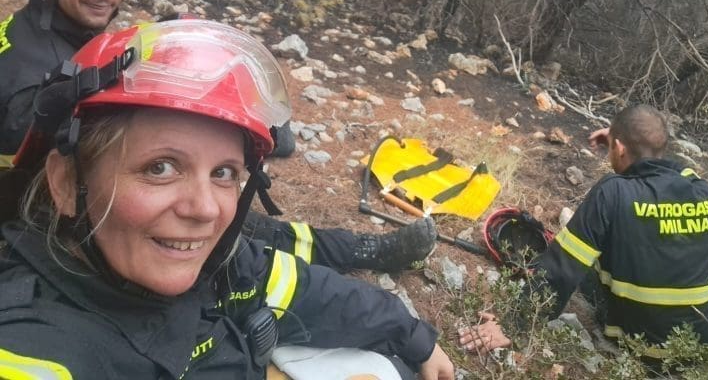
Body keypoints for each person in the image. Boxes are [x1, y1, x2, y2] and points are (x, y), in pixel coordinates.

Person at [0, 0, 436, 272]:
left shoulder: (57, 35)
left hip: (84, 196)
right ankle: (364, 253)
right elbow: (33, 137)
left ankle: (350, 250)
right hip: (49, 220)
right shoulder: (23, 61)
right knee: (239, 231)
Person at [0, 19, 455, 379]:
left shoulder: (215, 261)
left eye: (223, 173)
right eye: (160, 168)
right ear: (65, 183)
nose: (205, 208)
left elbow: (299, 285)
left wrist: (412, 335)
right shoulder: (35, 346)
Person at [459, 104, 708, 361]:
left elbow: (562, 269)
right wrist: (630, 144)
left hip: (644, 348)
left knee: (588, 269)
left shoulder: (613, 192)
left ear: (618, 148)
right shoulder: (705, 192)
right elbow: (671, 170)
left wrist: (513, 323)